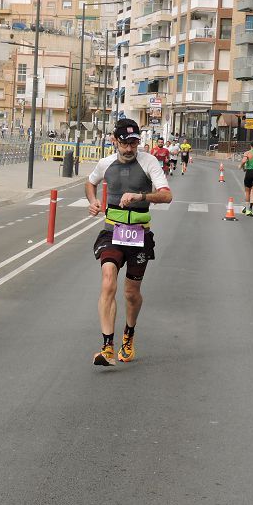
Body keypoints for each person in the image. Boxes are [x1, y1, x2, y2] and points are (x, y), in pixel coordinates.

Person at [86, 118, 172, 366]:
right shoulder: (106, 164)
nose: (129, 148)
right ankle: (107, 346)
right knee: (108, 280)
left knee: (131, 294)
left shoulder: (148, 162)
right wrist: (92, 201)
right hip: (112, 231)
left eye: (134, 143)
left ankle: (129, 334)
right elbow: (90, 182)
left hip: (139, 234)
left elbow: (167, 195)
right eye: (125, 143)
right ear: (115, 141)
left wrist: (140, 196)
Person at [240, 141, 253, 216]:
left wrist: (241, 167)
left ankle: (247, 210)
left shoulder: (247, 153)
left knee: (247, 191)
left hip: (249, 172)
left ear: (250, 145)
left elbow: (244, 161)